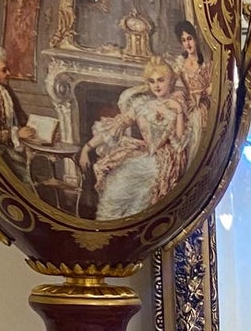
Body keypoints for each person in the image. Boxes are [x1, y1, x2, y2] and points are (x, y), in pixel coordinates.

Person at [81, 56, 189, 220]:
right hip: (143, 154)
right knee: (116, 189)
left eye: (161, 80)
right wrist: (86, 148)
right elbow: (114, 129)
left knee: (142, 200)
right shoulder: (141, 105)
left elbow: (180, 143)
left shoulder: (178, 104)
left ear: (171, 80)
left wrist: (179, 111)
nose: (156, 85)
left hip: (165, 159)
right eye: (152, 81)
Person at [0, 46, 35, 162]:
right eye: (4, 70)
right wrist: (16, 135)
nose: (8, 73)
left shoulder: (7, 90)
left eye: (8, 69)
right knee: (26, 174)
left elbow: (21, 117)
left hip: (16, 146)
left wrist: (40, 129)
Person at [174, 20, 213, 148]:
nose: (187, 43)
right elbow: (171, 82)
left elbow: (212, 85)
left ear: (195, 39)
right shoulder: (180, 63)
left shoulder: (206, 62)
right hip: (190, 105)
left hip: (204, 104)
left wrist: (202, 95)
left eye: (189, 39)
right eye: (184, 40)